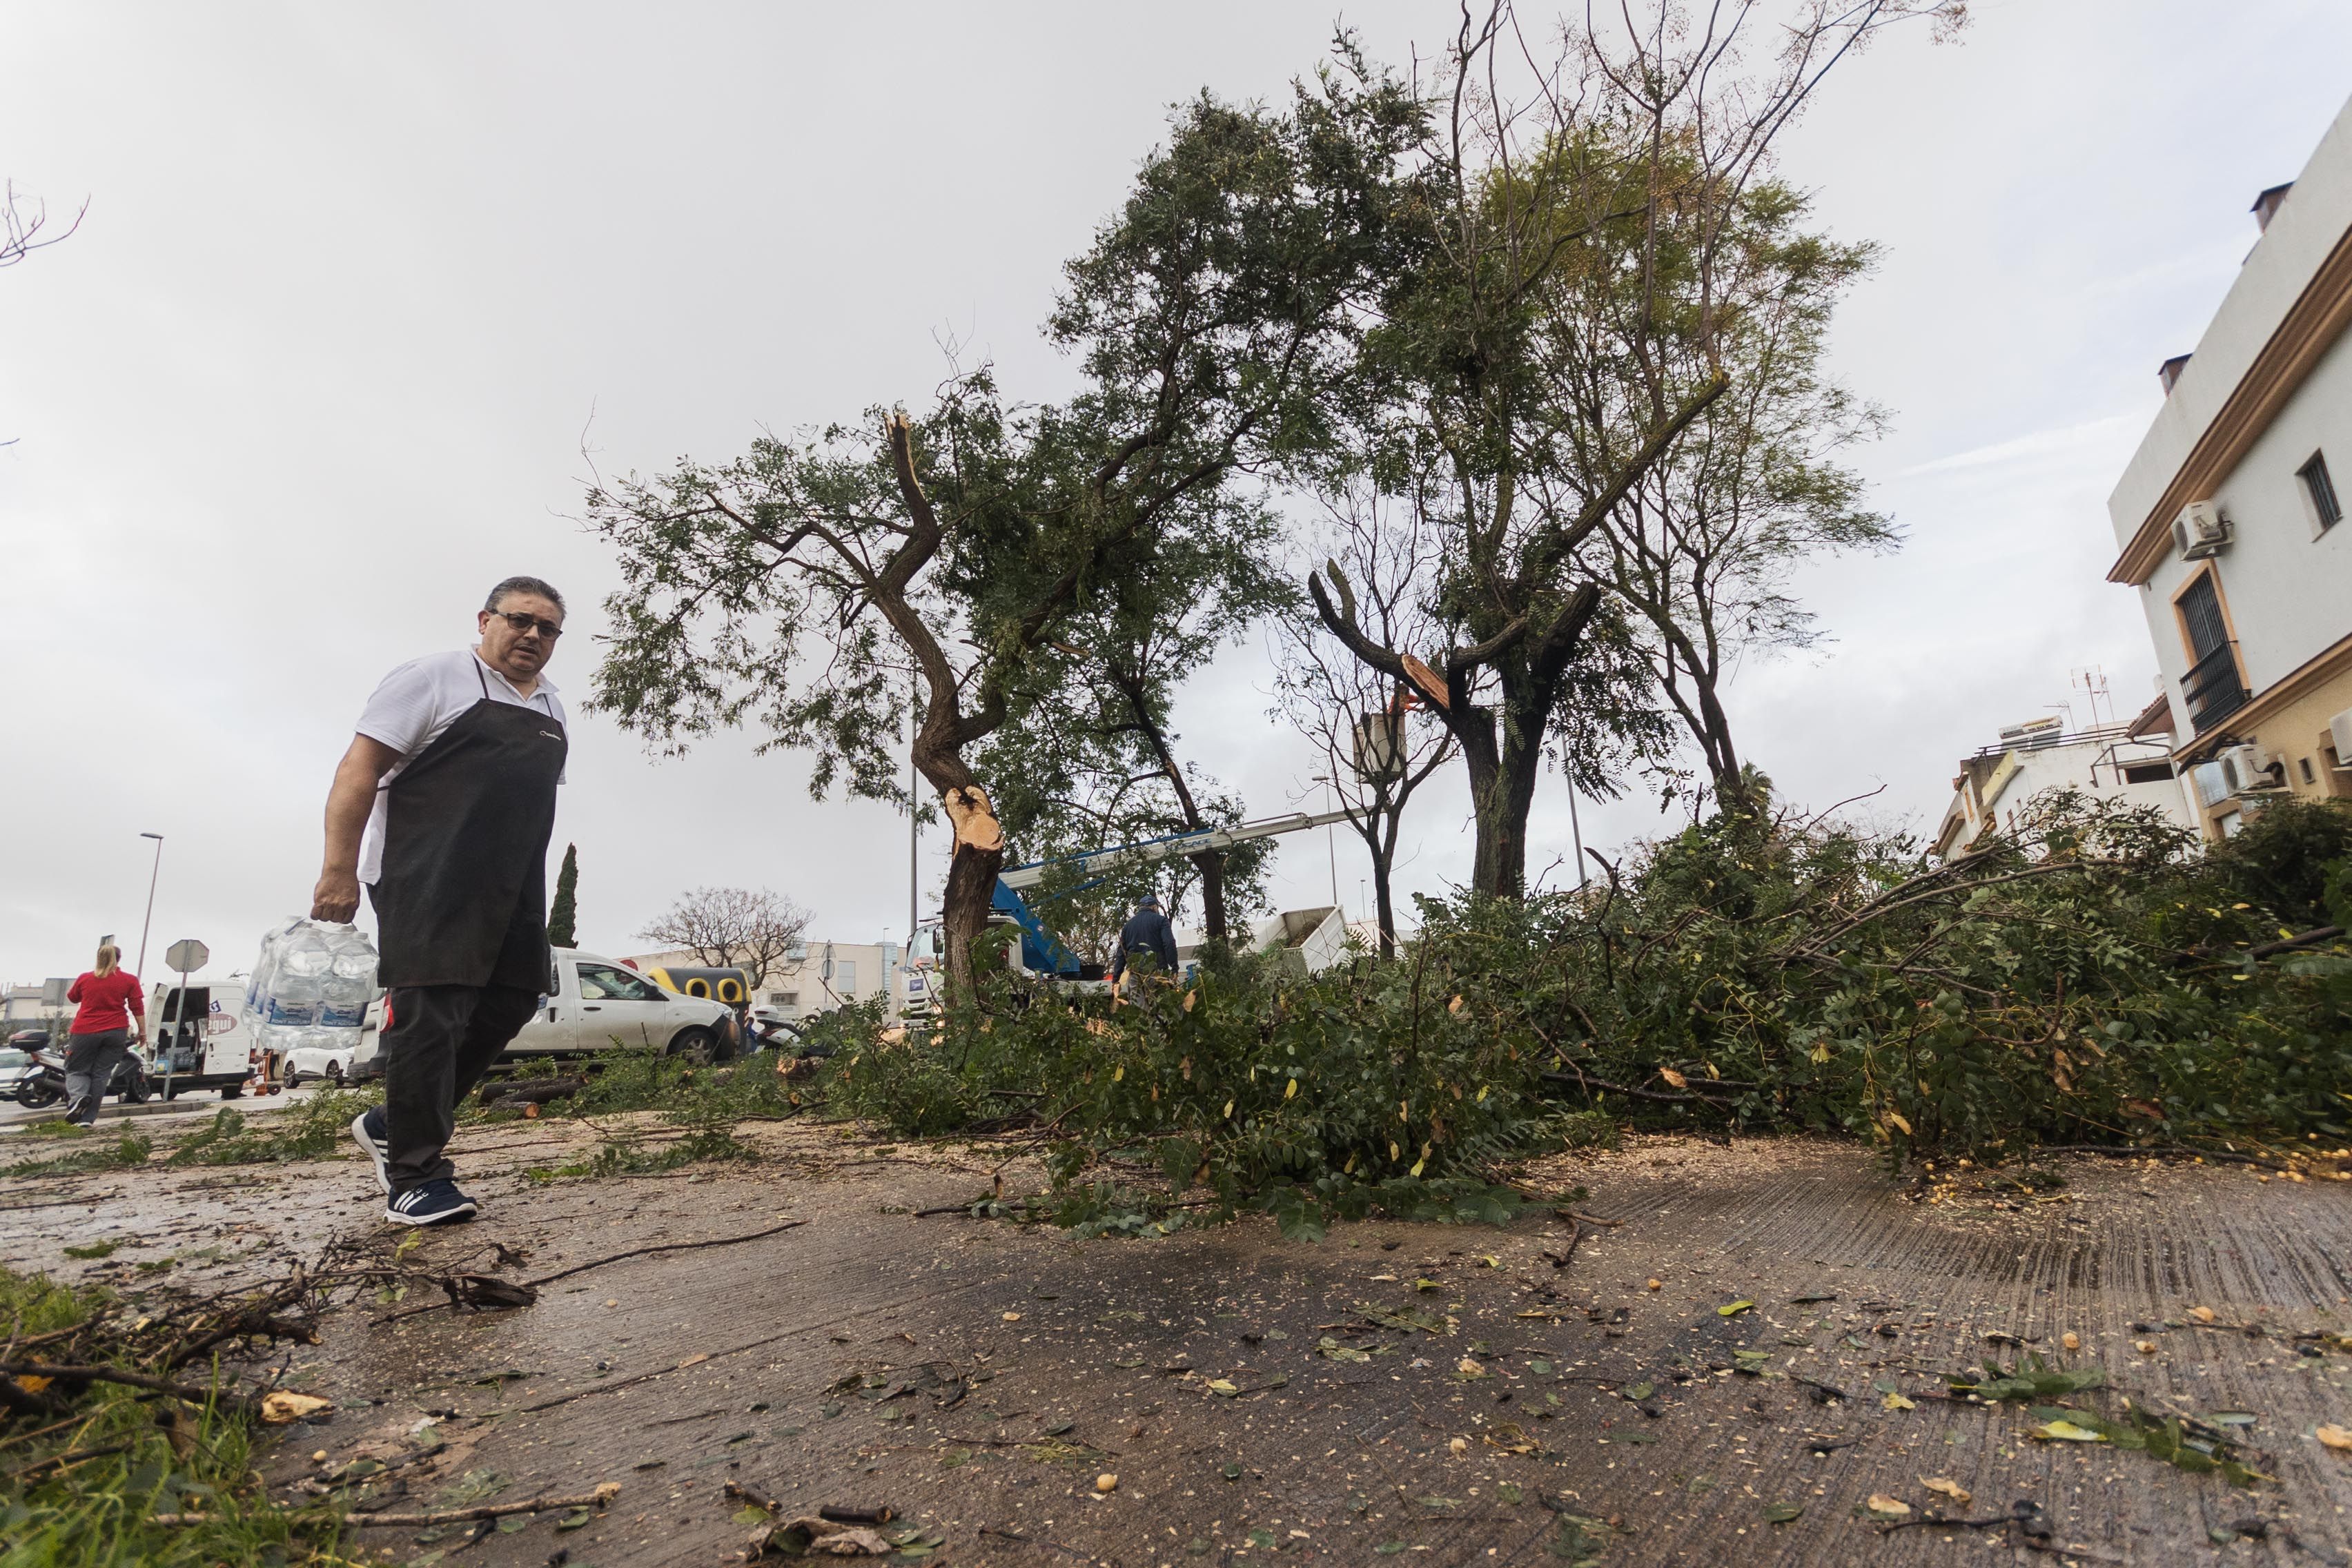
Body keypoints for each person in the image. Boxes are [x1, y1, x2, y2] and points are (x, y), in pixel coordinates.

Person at [313, 577, 570, 1226]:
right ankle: (414, 1175)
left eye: (547, 629)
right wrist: (337, 870)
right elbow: (359, 770)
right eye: (520, 621)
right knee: (437, 1010)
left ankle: (391, 1123)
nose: (533, 636)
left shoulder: (553, 707)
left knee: (513, 998)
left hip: (511, 884)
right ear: (486, 619)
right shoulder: (432, 679)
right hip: (424, 872)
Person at [63, 943, 144, 1126]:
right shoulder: (129, 980)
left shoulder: (85, 978)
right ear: (119, 959)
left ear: (98, 958)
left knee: (76, 1069)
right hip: (116, 1032)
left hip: (85, 1031)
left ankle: (78, 1100)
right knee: (101, 1074)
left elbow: (72, 997)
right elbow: (137, 1006)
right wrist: (142, 1031)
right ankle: (87, 1119)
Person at [1110, 892, 1179, 1002]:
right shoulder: (1161, 920)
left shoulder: (1128, 926)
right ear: (1154, 907)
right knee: (1160, 1009)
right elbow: (1169, 943)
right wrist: (1174, 968)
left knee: (1139, 1011)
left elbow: (1121, 954)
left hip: (1135, 974)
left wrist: (1115, 980)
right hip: (1157, 973)